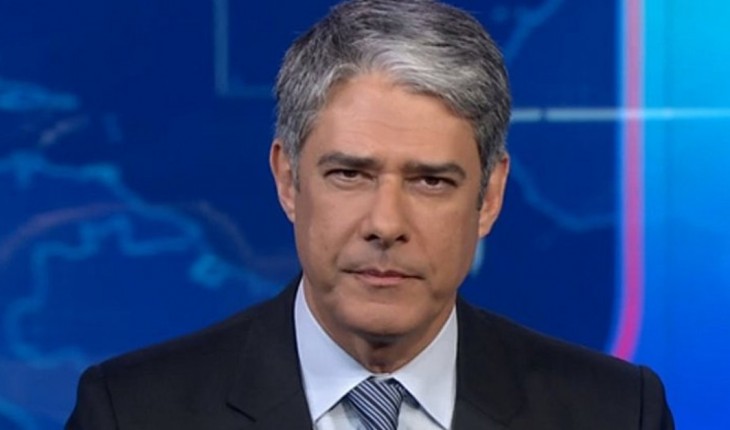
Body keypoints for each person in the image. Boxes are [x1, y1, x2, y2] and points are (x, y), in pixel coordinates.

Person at [66, 0, 674, 428]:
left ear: (489, 196)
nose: (386, 224)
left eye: (431, 181)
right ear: (288, 180)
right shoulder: (131, 412)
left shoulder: (618, 413)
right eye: (350, 175)